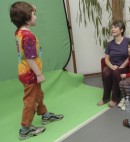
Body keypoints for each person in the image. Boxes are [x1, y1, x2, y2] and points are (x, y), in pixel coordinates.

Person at [10, 1, 63, 140]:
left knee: (38, 94)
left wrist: (30, 9)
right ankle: (25, 130)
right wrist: (39, 74)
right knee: (31, 101)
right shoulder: (28, 36)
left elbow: (25, 16)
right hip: (31, 73)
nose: (36, 16)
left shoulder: (19, 31)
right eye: (34, 14)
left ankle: (45, 116)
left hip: (23, 71)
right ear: (27, 18)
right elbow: (30, 58)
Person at [97, 20, 130, 107]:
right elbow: (106, 59)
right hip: (113, 66)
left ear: (121, 30)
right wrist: (112, 67)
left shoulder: (128, 41)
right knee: (106, 71)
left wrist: (120, 67)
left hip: (124, 67)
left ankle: (115, 99)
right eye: (112, 27)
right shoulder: (110, 44)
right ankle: (105, 98)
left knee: (116, 73)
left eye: (115, 27)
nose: (112, 29)